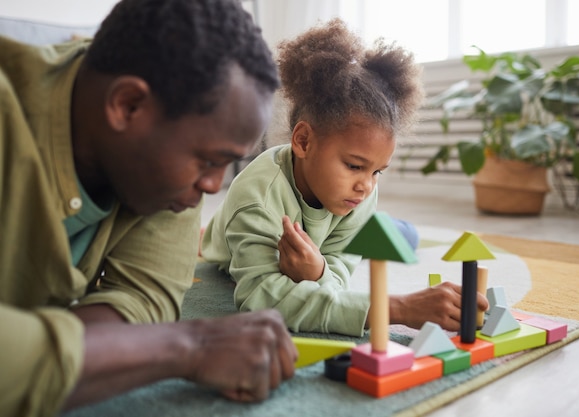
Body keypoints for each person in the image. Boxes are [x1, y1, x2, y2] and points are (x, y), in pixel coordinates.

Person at [0, 1, 298, 416]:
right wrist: (190, 347)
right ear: (127, 106)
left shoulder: (165, 174)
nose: (213, 186)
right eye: (209, 160)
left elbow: (145, 299)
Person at [201, 19, 489, 337]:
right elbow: (263, 299)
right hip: (236, 245)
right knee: (384, 238)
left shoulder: (361, 191)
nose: (366, 185)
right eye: (354, 166)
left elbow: (336, 281)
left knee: (405, 239)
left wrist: (319, 269)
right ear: (304, 142)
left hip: (331, 230)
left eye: (377, 171)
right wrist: (400, 308)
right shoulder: (257, 199)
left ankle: (392, 229)